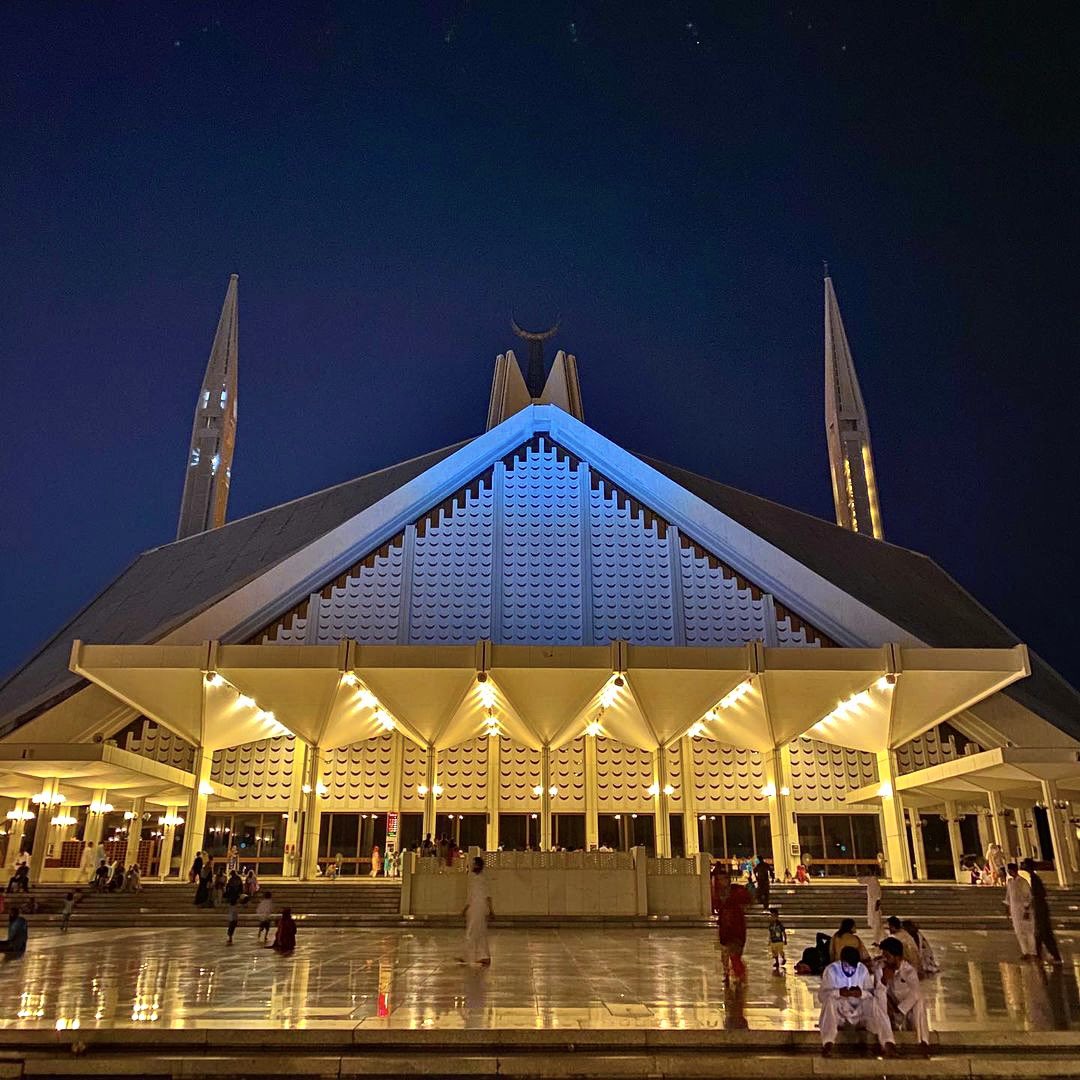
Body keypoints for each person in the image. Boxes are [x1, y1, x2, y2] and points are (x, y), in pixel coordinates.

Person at [818, 944, 894, 1057]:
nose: (850, 970)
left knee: (873, 1002)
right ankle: (828, 1043)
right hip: (840, 1013)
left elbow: (870, 993)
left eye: (853, 967)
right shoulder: (831, 970)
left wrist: (860, 993)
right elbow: (822, 997)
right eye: (847, 966)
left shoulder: (862, 970)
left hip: (859, 1012)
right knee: (830, 1002)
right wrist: (839, 992)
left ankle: (888, 1043)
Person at [875, 936, 931, 1055]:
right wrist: (884, 980)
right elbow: (879, 993)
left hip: (905, 1011)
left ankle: (923, 1041)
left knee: (919, 999)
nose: (885, 959)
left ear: (897, 957)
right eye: (884, 955)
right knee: (877, 1000)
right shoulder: (881, 968)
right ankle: (887, 1042)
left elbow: (915, 993)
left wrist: (900, 1010)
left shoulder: (909, 971)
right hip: (888, 1009)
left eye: (888, 956)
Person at [711, 865, 751, 982]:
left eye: (722, 879)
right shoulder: (719, 894)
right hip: (725, 929)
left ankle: (739, 975)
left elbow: (747, 900)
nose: (720, 882)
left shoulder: (736, 891)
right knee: (725, 953)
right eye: (718, 879)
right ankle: (728, 973)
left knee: (734, 954)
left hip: (736, 928)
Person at [1023, 858, 1063, 964]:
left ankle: (1055, 956)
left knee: (1044, 933)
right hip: (1039, 907)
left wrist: (1031, 906)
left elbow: (1038, 894)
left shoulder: (1034, 879)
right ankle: (1039, 955)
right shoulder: (1032, 878)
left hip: (1040, 908)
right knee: (1039, 934)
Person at [461, 856, 493, 965]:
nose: (472, 866)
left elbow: (486, 895)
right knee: (478, 931)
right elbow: (473, 896)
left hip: (478, 908)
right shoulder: (476, 878)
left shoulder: (480, 879)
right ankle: (483, 956)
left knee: (472, 931)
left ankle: (467, 956)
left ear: (478, 866)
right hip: (476, 907)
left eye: (474, 864)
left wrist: (491, 909)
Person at [1005, 862, 1037, 959]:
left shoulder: (1023, 882)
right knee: (1019, 932)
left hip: (1023, 909)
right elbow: (1008, 897)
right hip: (1014, 910)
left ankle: (1033, 952)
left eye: (1010, 870)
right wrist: (1007, 909)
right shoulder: (1010, 882)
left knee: (1028, 931)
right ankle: (1025, 952)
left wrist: (1026, 910)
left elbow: (1028, 896)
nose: (1009, 872)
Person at [857, 869, 884, 944]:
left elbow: (878, 895)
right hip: (872, 903)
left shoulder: (873, 881)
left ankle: (877, 940)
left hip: (874, 904)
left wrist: (877, 905)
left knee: (876, 923)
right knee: (877, 923)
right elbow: (860, 881)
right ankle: (881, 939)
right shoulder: (871, 881)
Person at [767, 908, 787, 975]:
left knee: (780, 951)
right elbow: (770, 933)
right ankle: (777, 962)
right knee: (774, 952)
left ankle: (783, 958)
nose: (773, 918)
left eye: (774, 916)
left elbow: (783, 932)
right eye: (771, 916)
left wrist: (785, 939)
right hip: (773, 940)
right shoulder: (771, 925)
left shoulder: (779, 924)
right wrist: (769, 940)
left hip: (779, 940)